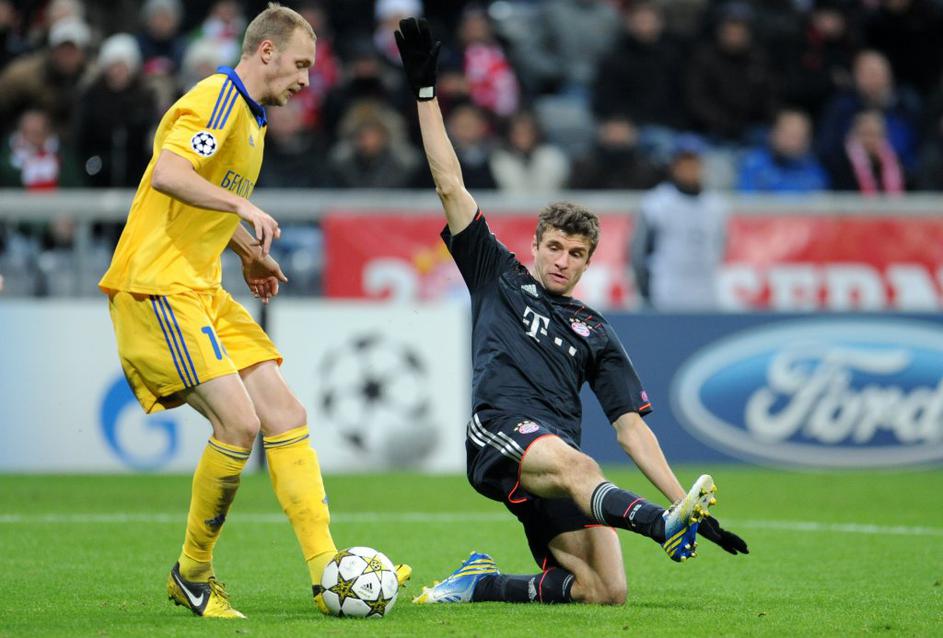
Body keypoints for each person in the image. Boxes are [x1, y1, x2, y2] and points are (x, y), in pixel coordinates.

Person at [394, 17, 748, 607]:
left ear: (587, 262)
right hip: (502, 436)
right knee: (582, 467)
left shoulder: (594, 330)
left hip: (558, 465)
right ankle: (659, 527)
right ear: (535, 245)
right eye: (554, 247)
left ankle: (476, 584)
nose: (562, 261)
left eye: (576, 254)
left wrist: (687, 503)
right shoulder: (496, 272)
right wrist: (426, 95)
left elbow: (631, 429)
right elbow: (450, 185)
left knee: (604, 591)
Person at [98, 4, 408, 619]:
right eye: (300, 64)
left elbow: (200, 201)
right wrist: (242, 209)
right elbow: (169, 172)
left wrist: (245, 251)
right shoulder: (219, 99)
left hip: (202, 287)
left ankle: (328, 573)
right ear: (266, 52)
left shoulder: (253, 119)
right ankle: (192, 574)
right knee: (238, 425)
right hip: (158, 287)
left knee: (285, 414)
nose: (306, 79)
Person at [632, 135, 728, 311]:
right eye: (684, 163)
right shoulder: (656, 203)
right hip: (666, 295)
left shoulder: (716, 206)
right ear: (674, 166)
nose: (689, 169)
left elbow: (720, 246)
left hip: (706, 295)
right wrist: (646, 293)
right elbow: (639, 253)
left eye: (694, 163)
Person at [736, 109, 829, 193]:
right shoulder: (754, 164)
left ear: (808, 140)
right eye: (787, 134)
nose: (792, 142)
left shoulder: (814, 170)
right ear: (773, 133)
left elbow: (822, 200)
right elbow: (746, 199)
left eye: (798, 137)